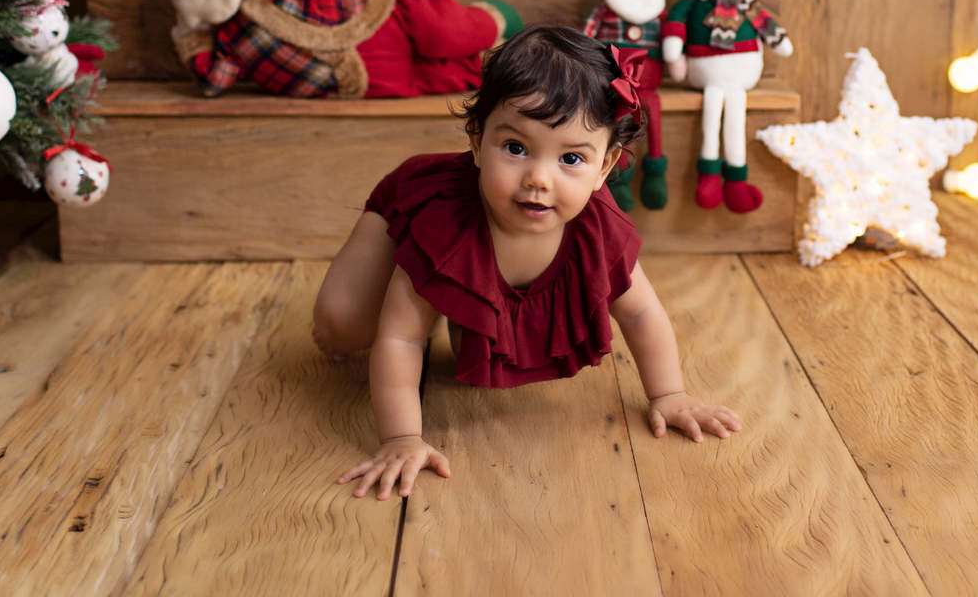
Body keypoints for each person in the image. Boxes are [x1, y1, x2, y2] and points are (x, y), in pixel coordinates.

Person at [312, 25, 741, 500]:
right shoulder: (443, 225)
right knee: (345, 324)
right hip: (403, 210)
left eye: (571, 158)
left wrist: (669, 394)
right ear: (477, 141)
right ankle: (388, 308)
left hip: (490, 260)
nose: (538, 178)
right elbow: (400, 336)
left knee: (458, 339)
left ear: (604, 167)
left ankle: (458, 316)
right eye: (516, 149)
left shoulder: (597, 231)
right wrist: (402, 439)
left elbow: (641, 313)